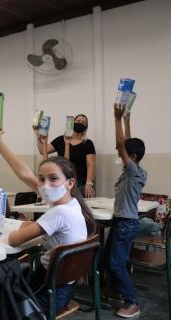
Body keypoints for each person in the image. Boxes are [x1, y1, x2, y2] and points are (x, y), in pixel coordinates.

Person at [0, 126, 95, 314]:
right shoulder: (73, 203)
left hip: (50, 291)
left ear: (70, 183)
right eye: (41, 179)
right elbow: (25, 174)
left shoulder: (60, 212)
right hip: (63, 288)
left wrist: (24, 226)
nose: (45, 186)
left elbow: (14, 239)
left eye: (53, 178)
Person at [107, 105, 146, 318]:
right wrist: (127, 122)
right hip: (122, 222)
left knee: (116, 263)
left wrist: (116, 118)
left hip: (125, 223)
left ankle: (132, 302)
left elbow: (122, 146)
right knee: (110, 259)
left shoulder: (132, 171)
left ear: (131, 157)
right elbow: (127, 145)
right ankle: (118, 293)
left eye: (123, 154)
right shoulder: (136, 170)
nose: (120, 155)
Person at [36, 114, 96, 197]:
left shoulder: (88, 143)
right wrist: (39, 137)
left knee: (76, 197)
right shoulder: (61, 140)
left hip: (81, 181)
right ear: (72, 123)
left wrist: (89, 183)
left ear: (86, 127)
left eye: (83, 122)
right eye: (78, 121)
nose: (80, 123)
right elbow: (43, 150)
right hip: (63, 178)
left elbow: (90, 165)